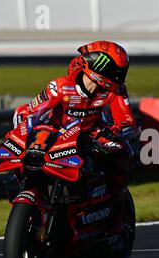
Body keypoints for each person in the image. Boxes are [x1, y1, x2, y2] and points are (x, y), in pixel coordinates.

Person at [12, 40, 139, 203]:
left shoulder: (115, 91)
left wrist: (117, 132)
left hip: (91, 136)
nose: (118, 76)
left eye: (121, 70)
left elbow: (128, 122)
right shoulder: (59, 86)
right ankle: (23, 185)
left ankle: (116, 207)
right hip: (57, 136)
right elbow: (27, 111)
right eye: (115, 70)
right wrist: (24, 128)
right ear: (98, 65)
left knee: (123, 152)